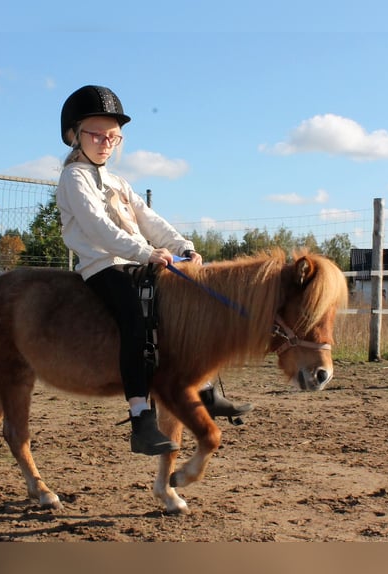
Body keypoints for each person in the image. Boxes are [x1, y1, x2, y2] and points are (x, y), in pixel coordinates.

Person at [56, 85, 251, 456]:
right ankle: (140, 417)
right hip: (103, 266)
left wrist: (183, 246)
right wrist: (146, 253)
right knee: (133, 320)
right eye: (96, 135)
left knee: (187, 311)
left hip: (136, 260)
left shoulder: (117, 181)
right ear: (73, 135)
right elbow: (99, 229)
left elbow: (149, 219)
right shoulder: (74, 178)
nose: (106, 143)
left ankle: (207, 390)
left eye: (113, 136)